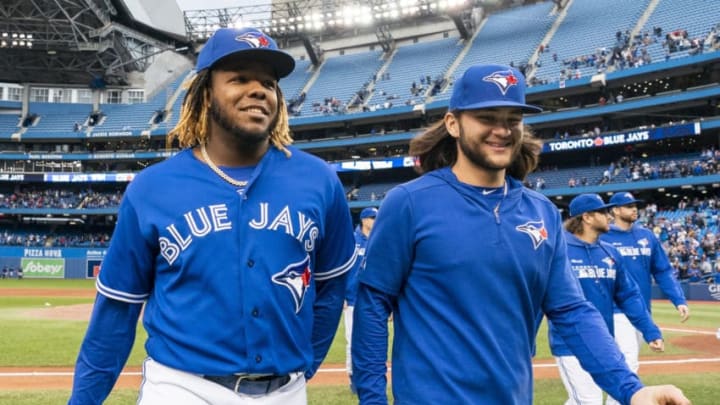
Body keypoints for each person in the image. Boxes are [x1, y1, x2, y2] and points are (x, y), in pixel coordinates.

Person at [351, 63, 691, 405]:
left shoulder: (541, 211)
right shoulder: (410, 202)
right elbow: (373, 303)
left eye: (513, 119)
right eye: (487, 117)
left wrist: (631, 390)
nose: (502, 130)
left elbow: (571, 310)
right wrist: (372, 399)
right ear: (453, 124)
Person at [68, 27, 357, 405]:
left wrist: (303, 367)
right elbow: (116, 313)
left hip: (287, 391)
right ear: (205, 94)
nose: (259, 90)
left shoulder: (318, 180)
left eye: (268, 83)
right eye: (239, 79)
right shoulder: (152, 188)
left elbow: (331, 289)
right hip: (183, 388)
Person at [552, 194, 665, 404]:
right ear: (587, 217)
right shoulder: (559, 251)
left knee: (588, 399)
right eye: (603, 212)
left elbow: (629, 296)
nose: (609, 216)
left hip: (603, 342)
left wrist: (650, 331)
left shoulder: (610, 252)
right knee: (588, 400)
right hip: (569, 341)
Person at [600, 191, 690, 405]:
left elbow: (663, 271)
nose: (634, 209)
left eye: (635, 205)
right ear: (614, 210)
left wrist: (679, 300)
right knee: (628, 363)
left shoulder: (646, 236)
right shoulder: (602, 236)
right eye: (628, 205)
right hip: (614, 310)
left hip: (641, 312)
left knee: (624, 363)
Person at [344, 206, 378, 394]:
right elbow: (343, 268)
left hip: (371, 298)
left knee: (371, 341)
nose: (375, 220)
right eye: (372, 217)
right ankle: (353, 379)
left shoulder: (378, 239)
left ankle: (369, 380)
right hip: (351, 298)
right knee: (351, 340)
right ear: (364, 220)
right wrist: (342, 294)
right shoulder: (351, 240)